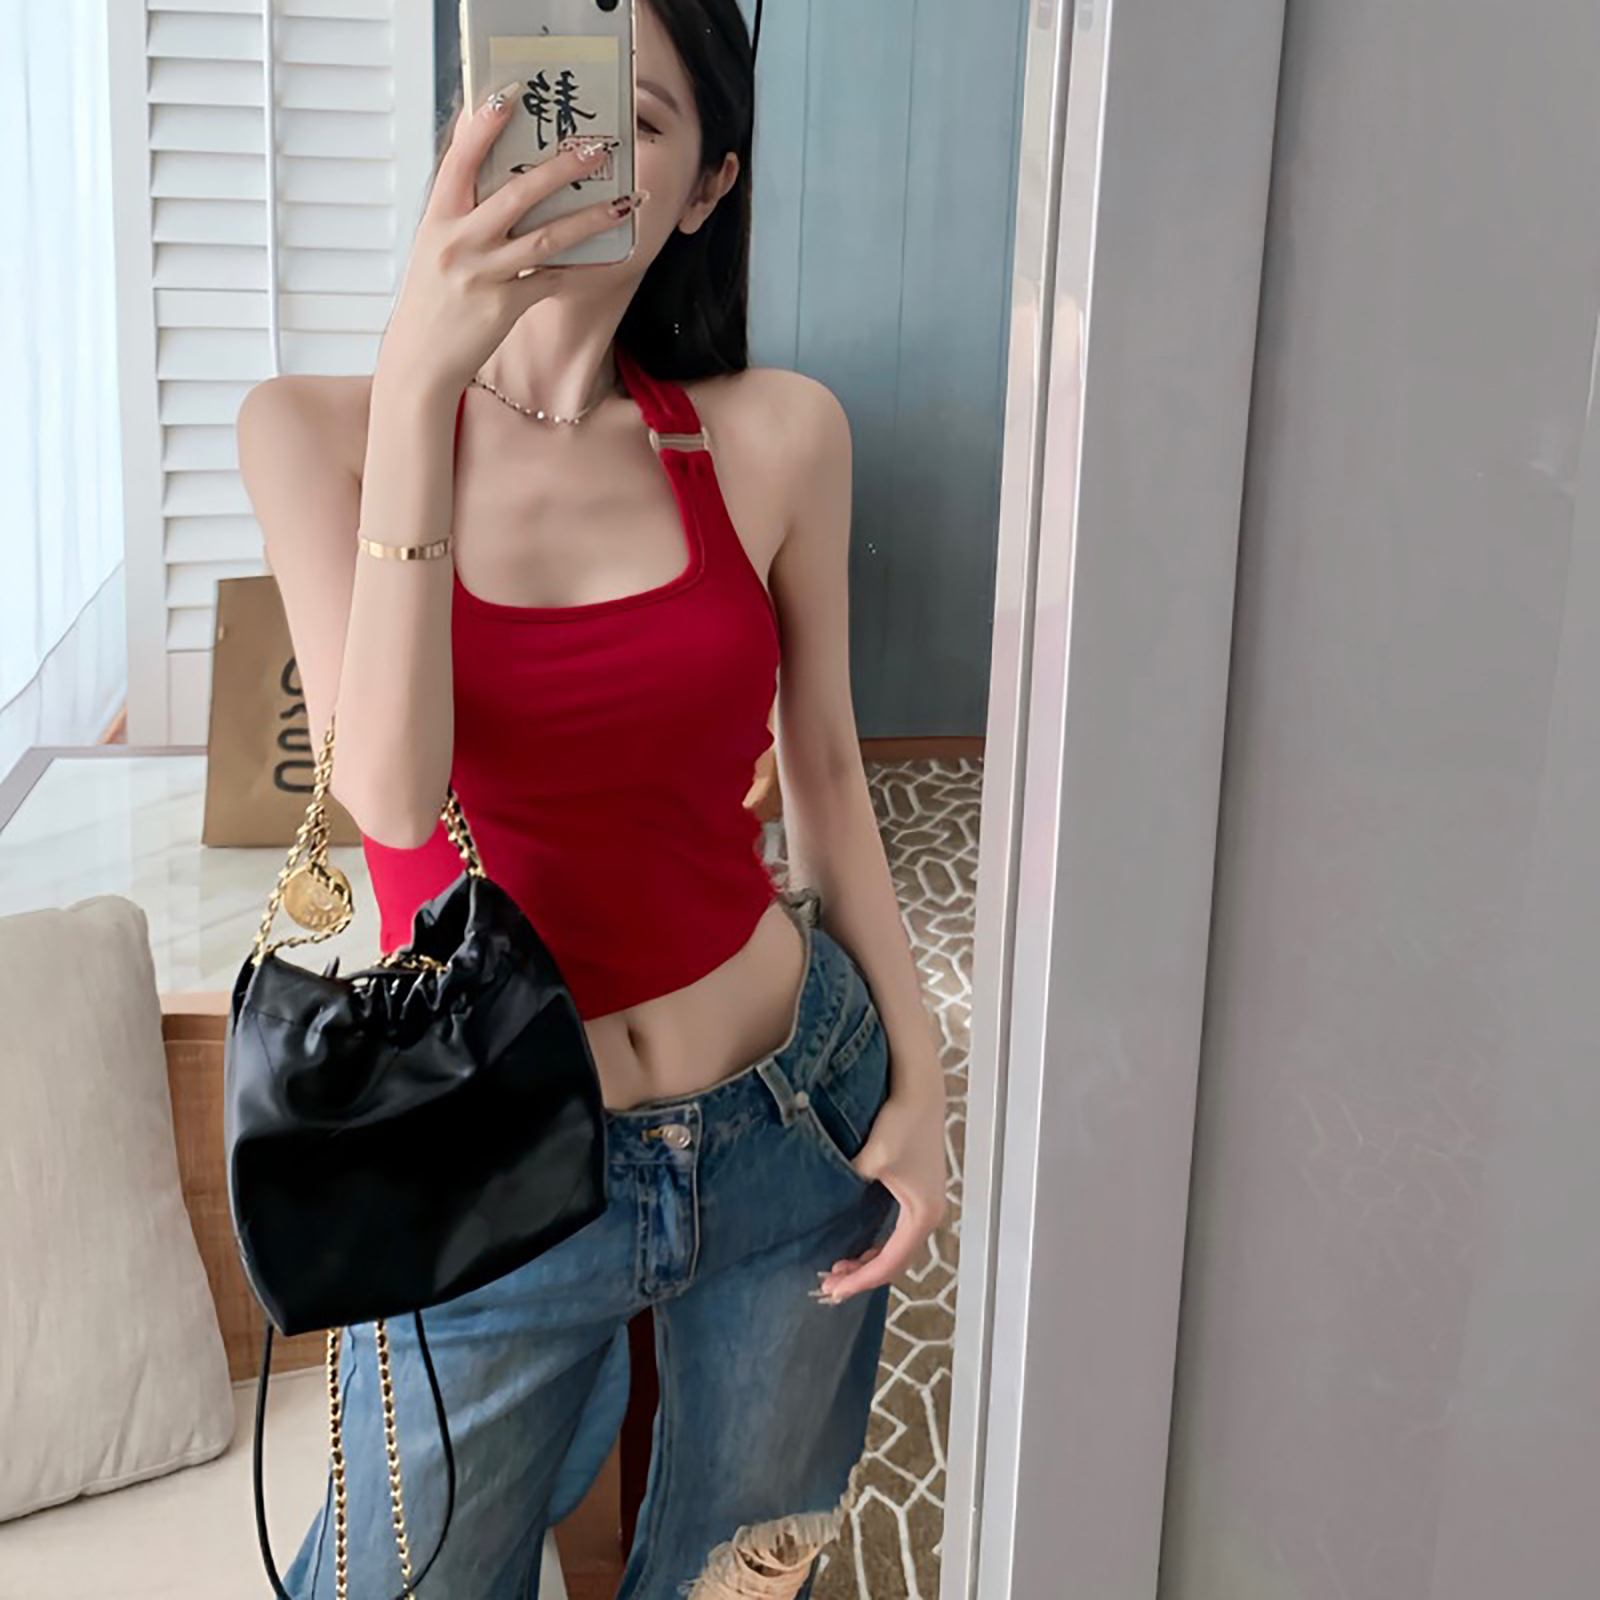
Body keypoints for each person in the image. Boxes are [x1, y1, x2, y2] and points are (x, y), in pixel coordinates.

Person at [237, 2, 948, 1594]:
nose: (568, 157)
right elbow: (390, 792)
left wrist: (922, 1086)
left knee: (734, 1574)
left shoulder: (779, 437)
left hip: (786, 1120)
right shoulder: (314, 434)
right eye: (543, 100)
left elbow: (829, 773)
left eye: (632, 122)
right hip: (484, 1164)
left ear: (705, 189)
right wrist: (421, 384)